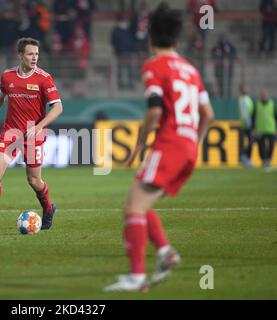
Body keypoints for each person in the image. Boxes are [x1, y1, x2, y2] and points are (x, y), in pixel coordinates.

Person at [104, 3, 214, 292]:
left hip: (169, 144)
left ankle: (136, 276)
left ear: (150, 37)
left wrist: (139, 147)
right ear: (177, 39)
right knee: (142, 201)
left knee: (133, 206)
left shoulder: (154, 66)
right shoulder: (191, 69)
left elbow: (154, 112)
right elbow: (209, 115)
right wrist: (195, 142)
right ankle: (165, 252)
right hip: (188, 146)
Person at [0, 37, 63, 233]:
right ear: (20, 55)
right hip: (11, 132)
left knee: (34, 181)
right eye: (30, 54)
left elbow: (58, 107)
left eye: (36, 54)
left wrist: (39, 126)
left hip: (34, 136)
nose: (34, 58)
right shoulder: (7, 77)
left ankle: (48, 208)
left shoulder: (44, 78)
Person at [252, 89, 277, 168]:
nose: (264, 97)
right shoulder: (257, 105)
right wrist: (254, 129)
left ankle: (268, 159)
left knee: (271, 145)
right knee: (261, 146)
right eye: (262, 96)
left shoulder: (272, 104)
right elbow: (254, 117)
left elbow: (276, 117)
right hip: (260, 130)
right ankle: (265, 160)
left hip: (271, 129)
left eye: (265, 95)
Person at [238, 84, 255, 168]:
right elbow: (245, 114)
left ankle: (246, 158)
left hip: (247, 124)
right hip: (248, 125)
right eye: (245, 88)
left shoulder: (244, 99)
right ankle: (245, 157)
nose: (247, 88)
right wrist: (250, 125)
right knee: (251, 141)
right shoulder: (244, 99)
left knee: (251, 141)